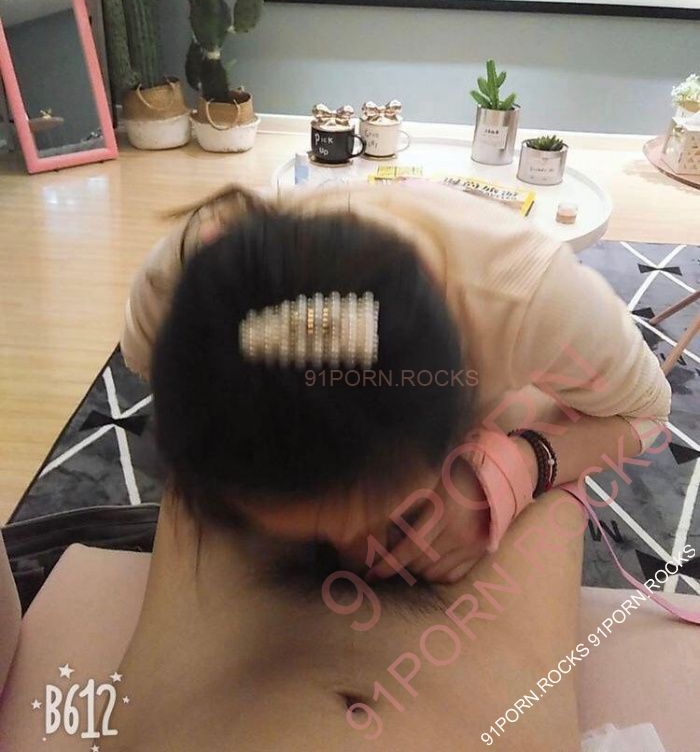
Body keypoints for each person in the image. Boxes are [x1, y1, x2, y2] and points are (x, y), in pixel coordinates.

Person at [107, 178, 671, 749]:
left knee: (539, 406)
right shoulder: (172, 296)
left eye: (378, 511)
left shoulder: (530, 300)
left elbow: (648, 414)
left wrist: (522, 464)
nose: (355, 553)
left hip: (488, 349)